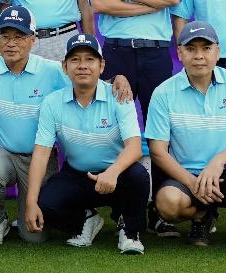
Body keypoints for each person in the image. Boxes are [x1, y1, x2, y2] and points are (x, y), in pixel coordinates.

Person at [88, 0, 182, 235]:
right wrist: (149, 4)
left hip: (157, 53)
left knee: (160, 131)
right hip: (117, 54)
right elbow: (100, 3)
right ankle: (123, 207)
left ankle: (160, 206)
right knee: (117, 130)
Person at [145, 22, 226, 252]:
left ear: (218, 52)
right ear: (179, 53)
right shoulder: (163, 92)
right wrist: (192, 183)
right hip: (188, 177)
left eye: (206, 48)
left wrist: (218, 161)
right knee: (167, 203)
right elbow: (157, 151)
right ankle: (202, 217)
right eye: (191, 49)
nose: (199, 56)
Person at [24, 33, 150, 254]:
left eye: (90, 60)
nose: (82, 66)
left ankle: (130, 231)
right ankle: (86, 220)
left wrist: (112, 173)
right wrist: (31, 201)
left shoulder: (119, 96)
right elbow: (42, 153)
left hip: (117, 174)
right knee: (46, 204)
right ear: (65, 67)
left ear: (102, 66)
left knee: (139, 176)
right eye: (75, 60)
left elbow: (134, 147)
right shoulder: (52, 103)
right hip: (78, 175)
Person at [0, 6, 71, 245]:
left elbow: (88, 85)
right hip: (3, 151)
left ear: (33, 40)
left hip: (39, 155)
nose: (11, 43)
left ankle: (25, 217)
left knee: (34, 237)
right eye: (5, 36)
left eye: (19, 37)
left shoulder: (52, 71)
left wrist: (117, 80)